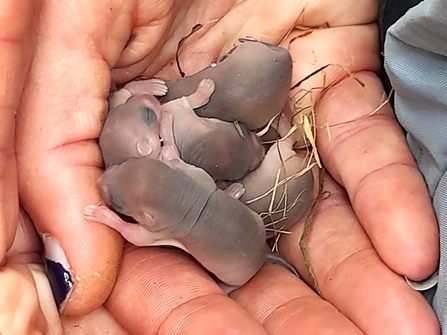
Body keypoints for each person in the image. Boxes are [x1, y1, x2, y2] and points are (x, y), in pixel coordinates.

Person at [0, 0, 441, 334]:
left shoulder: (174, 176)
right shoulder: (186, 170)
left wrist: (108, 216)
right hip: (240, 212)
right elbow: (205, 185)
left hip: (237, 235)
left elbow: (173, 206)